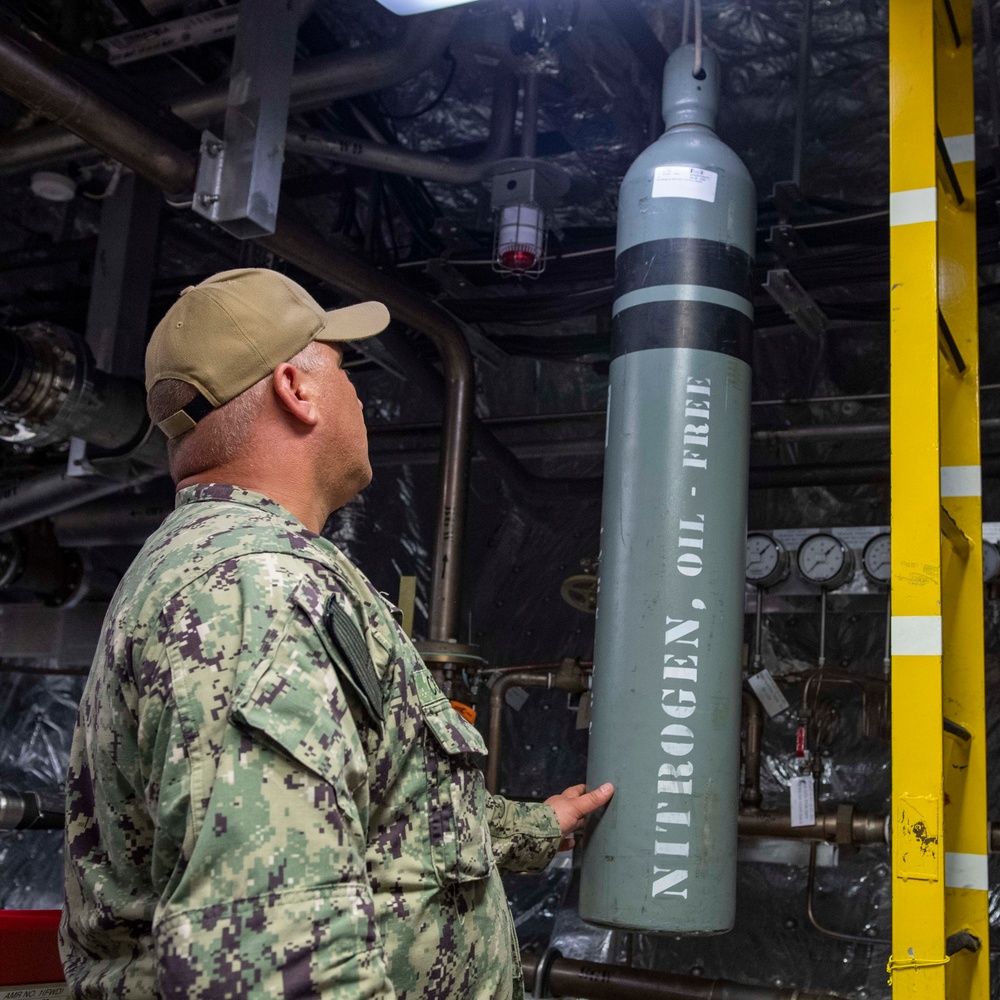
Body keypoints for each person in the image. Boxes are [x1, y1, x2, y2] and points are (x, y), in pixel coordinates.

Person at [59, 268, 614, 999]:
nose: (358, 394)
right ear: (297, 388)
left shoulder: (223, 569)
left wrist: (538, 825)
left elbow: (380, 815)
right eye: (345, 368)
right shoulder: (258, 594)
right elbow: (274, 965)